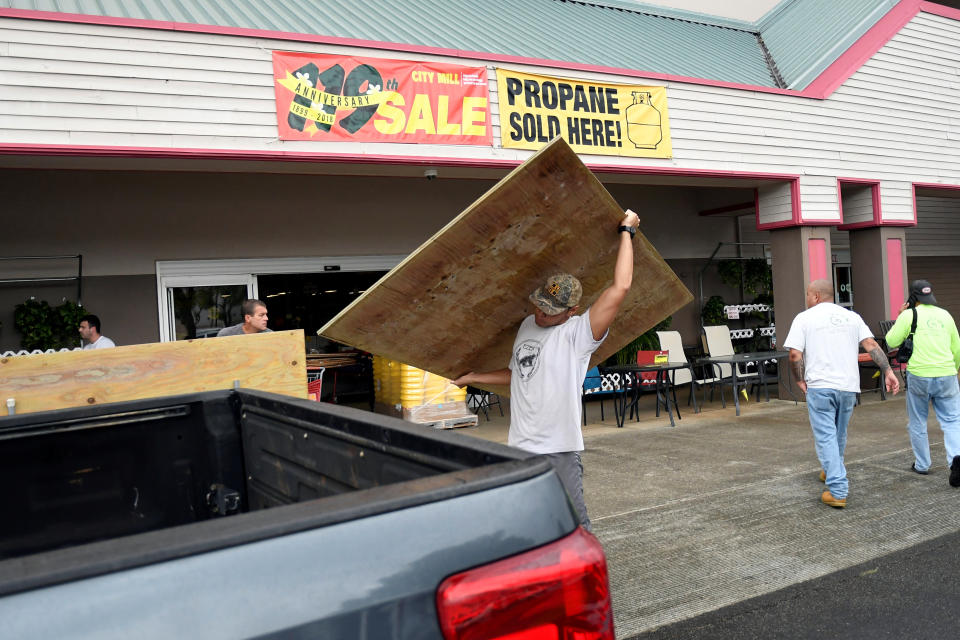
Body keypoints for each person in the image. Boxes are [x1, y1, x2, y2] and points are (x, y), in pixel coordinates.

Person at [453, 209, 640, 531]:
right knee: (528, 521)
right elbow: (520, 374)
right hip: (521, 445)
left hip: (558, 448)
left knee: (574, 524)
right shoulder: (528, 324)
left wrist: (627, 231)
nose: (540, 315)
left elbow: (620, 288)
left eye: (550, 311)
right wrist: (474, 378)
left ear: (573, 311)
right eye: (539, 306)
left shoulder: (580, 334)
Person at [784, 279, 899, 509]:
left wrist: (799, 379)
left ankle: (837, 490)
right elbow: (871, 345)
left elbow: (795, 355)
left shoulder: (804, 318)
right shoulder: (852, 317)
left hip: (821, 386)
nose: (806, 299)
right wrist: (887, 370)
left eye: (808, 294)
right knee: (839, 433)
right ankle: (830, 470)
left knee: (826, 436)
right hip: (848, 387)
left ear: (816, 296)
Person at [884, 280, 960, 486]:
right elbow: (957, 348)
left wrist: (900, 316)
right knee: (953, 421)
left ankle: (922, 464)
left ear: (913, 297)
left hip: (920, 376)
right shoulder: (945, 315)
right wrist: (955, 369)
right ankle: (956, 459)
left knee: (918, 421)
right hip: (947, 373)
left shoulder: (909, 315)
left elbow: (891, 341)